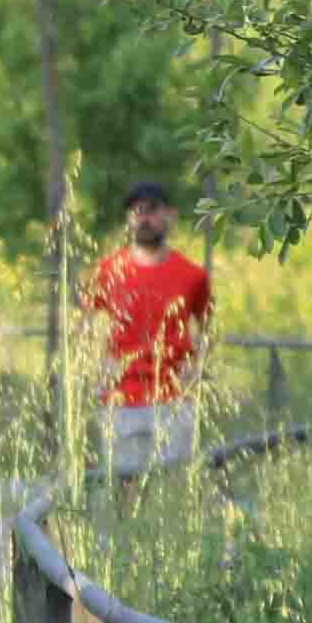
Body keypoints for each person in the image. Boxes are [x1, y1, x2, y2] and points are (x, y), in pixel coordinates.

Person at [87, 179, 214, 473]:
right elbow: (86, 326)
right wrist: (97, 369)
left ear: (170, 215)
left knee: (171, 484)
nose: (143, 217)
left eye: (152, 209)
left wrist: (197, 368)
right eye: (136, 211)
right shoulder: (107, 272)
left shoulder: (192, 275)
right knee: (124, 486)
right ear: (128, 219)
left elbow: (208, 328)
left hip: (174, 399)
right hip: (120, 399)